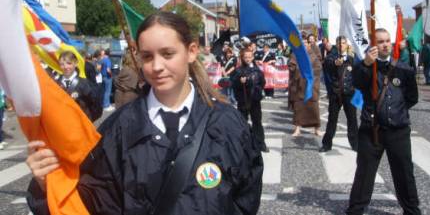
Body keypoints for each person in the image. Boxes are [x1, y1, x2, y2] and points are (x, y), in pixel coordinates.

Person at [26, 11, 263, 215]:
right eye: (147, 56)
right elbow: (94, 202)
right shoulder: (120, 127)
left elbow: (246, 196)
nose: (157, 66)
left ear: (191, 51)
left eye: (168, 54)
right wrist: (47, 183)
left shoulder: (227, 123)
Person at [346, 28, 421, 215]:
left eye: (387, 40)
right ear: (373, 45)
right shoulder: (364, 67)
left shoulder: (403, 69)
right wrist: (365, 64)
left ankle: (411, 210)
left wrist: (397, 112)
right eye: (380, 41)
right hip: (372, 130)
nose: (385, 44)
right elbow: (355, 83)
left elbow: (412, 97)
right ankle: (356, 209)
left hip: (398, 130)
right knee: (364, 173)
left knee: (404, 173)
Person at [319, 36, 358, 152]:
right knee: (332, 119)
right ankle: (327, 144)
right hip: (335, 93)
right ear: (336, 45)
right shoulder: (332, 57)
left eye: (343, 43)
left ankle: (355, 144)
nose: (341, 45)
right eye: (339, 43)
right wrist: (335, 63)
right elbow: (327, 63)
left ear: (347, 44)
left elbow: (360, 70)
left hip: (349, 93)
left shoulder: (352, 58)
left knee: (352, 120)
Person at [232, 48, 268, 152]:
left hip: (255, 100)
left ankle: (260, 143)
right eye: (245, 57)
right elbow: (233, 84)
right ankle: (244, 145)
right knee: (243, 122)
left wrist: (258, 90)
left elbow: (262, 82)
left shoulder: (257, 70)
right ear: (242, 58)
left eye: (249, 57)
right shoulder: (239, 70)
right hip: (243, 100)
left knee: (257, 122)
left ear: (253, 57)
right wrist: (240, 82)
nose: (248, 59)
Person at [56, 51, 102, 122]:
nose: (65, 67)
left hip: (80, 122)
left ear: (76, 63)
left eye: (69, 63)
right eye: (62, 64)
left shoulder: (84, 83)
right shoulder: (56, 82)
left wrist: (88, 121)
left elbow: (94, 104)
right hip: (61, 122)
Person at [288, 38, 321, 136]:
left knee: (314, 107)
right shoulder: (295, 54)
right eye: (303, 43)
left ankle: (317, 128)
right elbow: (291, 66)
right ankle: (297, 129)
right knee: (299, 108)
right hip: (299, 84)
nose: (305, 44)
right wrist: (297, 69)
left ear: (309, 44)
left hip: (311, 85)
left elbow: (318, 68)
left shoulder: (313, 55)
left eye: (306, 43)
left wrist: (309, 73)